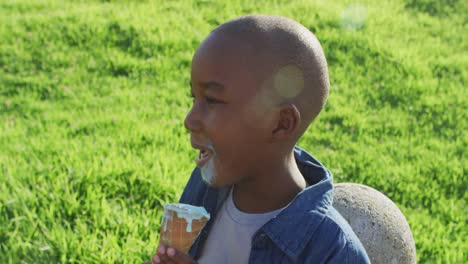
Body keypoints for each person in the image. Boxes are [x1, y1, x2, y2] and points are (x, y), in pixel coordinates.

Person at [153, 15, 370, 264]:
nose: (189, 120)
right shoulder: (203, 187)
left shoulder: (332, 253)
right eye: (194, 99)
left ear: (280, 124)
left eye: (211, 100)